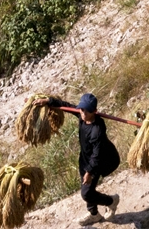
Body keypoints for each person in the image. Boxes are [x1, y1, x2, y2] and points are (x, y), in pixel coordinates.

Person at [34, 93, 121, 226]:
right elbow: (66, 106)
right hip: (86, 159)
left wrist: (89, 172)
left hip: (101, 161)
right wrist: (47, 101)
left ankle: (111, 201)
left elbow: (97, 155)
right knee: (88, 189)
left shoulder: (97, 130)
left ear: (95, 111)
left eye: (88, 111)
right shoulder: (81, 115)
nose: (84, 113)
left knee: (86, 194)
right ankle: (94, 214)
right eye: (82, 109)